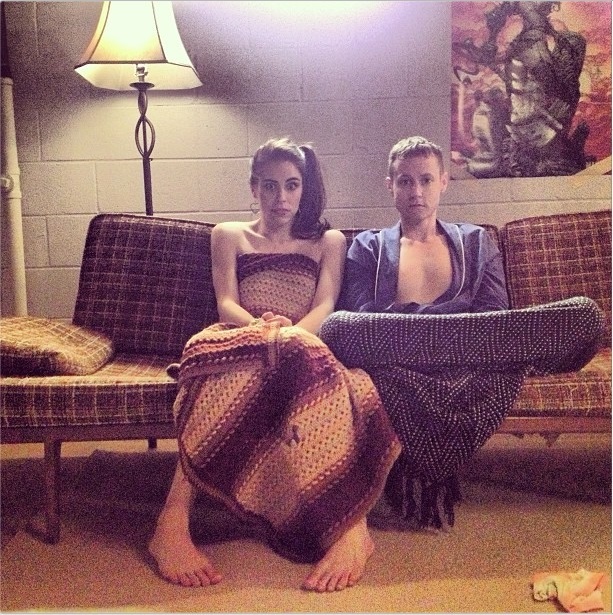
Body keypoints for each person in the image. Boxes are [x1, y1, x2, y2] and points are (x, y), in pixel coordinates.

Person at [149, 137, 401, 592]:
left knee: (344, 386)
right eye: (269, 186)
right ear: (254, 188)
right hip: (239, 339)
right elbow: (226, 303)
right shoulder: (228, 235)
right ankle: (171, 522)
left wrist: (289, 338)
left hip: (303, 342)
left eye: (291, 185)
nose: (281, 197)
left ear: (304, 188)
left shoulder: (328, 241)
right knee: (210, 379)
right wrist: (264, 334)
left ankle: (352, 528)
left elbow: (325, 306)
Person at [326, 135, 603, 528]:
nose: (416, 191)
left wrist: (435, 332)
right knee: (338, 327)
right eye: (405, 181)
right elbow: (361, 319)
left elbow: (495, 317)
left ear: (443, 182)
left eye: (425, 180)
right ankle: (448, 340)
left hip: (453, 344)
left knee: (584, 315)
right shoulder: (367, 248)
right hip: (413, 347)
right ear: (390, 186)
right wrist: (448, 329)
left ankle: (446, 341)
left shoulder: (475, 241)